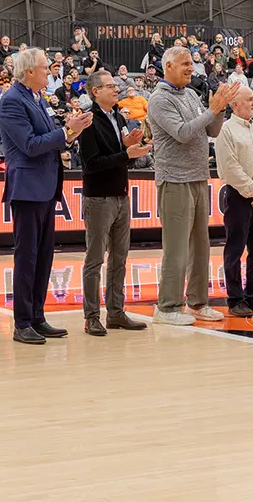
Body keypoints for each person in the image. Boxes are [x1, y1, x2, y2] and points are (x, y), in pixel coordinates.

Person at [0, 48, 93, 344]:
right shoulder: (12, 100)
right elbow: (29, 144)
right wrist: (66, 132)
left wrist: (71, 134)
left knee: (44, 257)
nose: (49, 71)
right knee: (26, 257)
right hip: (27, 188)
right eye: (44, 68)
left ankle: (37, 316)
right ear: (28, 72)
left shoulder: (37, 98)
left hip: (45, 186)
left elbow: (49, 141)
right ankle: (22, 321)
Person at [147, 46, 238, 325]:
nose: (190, 68)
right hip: (174, 179)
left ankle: (197, 303)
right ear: (168, 66)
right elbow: (184, 133)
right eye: (185, 64)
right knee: (176, 248)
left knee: (201, 245)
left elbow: (212, 130)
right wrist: (212, 109)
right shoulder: (159, 100)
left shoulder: (189, 94)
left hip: (198, 176)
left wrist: (219, 110)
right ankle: (167, 307)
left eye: (191, 64)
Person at [77, 71, 152, 336]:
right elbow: (91, 164)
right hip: (98, 197)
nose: (116, 89)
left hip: (121, 194)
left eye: (115, 85)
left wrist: (131, 151)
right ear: (95, 91)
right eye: (110, 86)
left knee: (120, 257)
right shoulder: (87, 120)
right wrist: (125, 154)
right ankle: (91, 316)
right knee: (95, 259)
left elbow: (122, 159)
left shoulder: (119, 117)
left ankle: (116, 312)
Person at [215, 86, 253, 317]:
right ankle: (235, 299)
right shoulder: (226, 130)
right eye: (249, 100)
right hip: (240, 196)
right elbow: (230, 168)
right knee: (235, 248)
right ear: (235, 104)